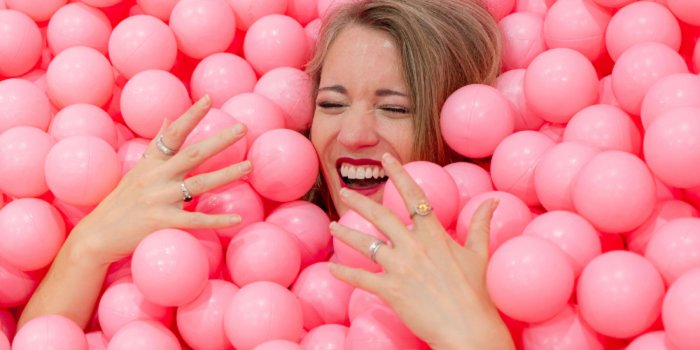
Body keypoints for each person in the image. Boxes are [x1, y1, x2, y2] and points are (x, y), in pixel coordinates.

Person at [19, 0, 515, 348]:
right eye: (333, 103)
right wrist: (90, 245)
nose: (354, 133)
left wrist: (472, 335)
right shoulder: (241, 224)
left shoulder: (493, 269)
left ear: (457, 124)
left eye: (395, 109)